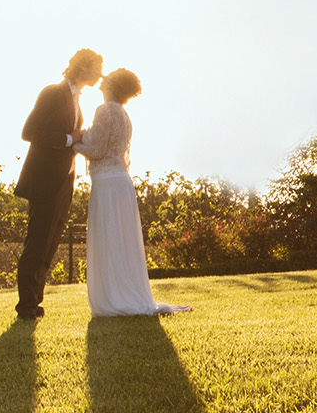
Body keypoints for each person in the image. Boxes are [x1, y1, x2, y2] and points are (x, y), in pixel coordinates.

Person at [79, 68, 191, 317]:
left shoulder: (105, 110)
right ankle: (126, 292)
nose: (101, 80)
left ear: (111, 85)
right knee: (122, 241)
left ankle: (115, 297)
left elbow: (97, 149)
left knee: (110, 240)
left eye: (106, 78)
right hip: (121, 182)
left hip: (107, 184)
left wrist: (73, 141)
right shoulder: (125, 115)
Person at [13, 49, 103, 321]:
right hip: (44, 182)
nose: (101, 73)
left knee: (50, 245)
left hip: (64, 181)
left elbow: (69, 136)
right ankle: (25, 308)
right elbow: (29, 132)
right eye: (97, 67)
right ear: (83, 68)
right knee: (37, 244)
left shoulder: (77, 100)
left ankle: (34, 303)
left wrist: (78, 140)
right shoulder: (53, 93)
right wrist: (69, 138)